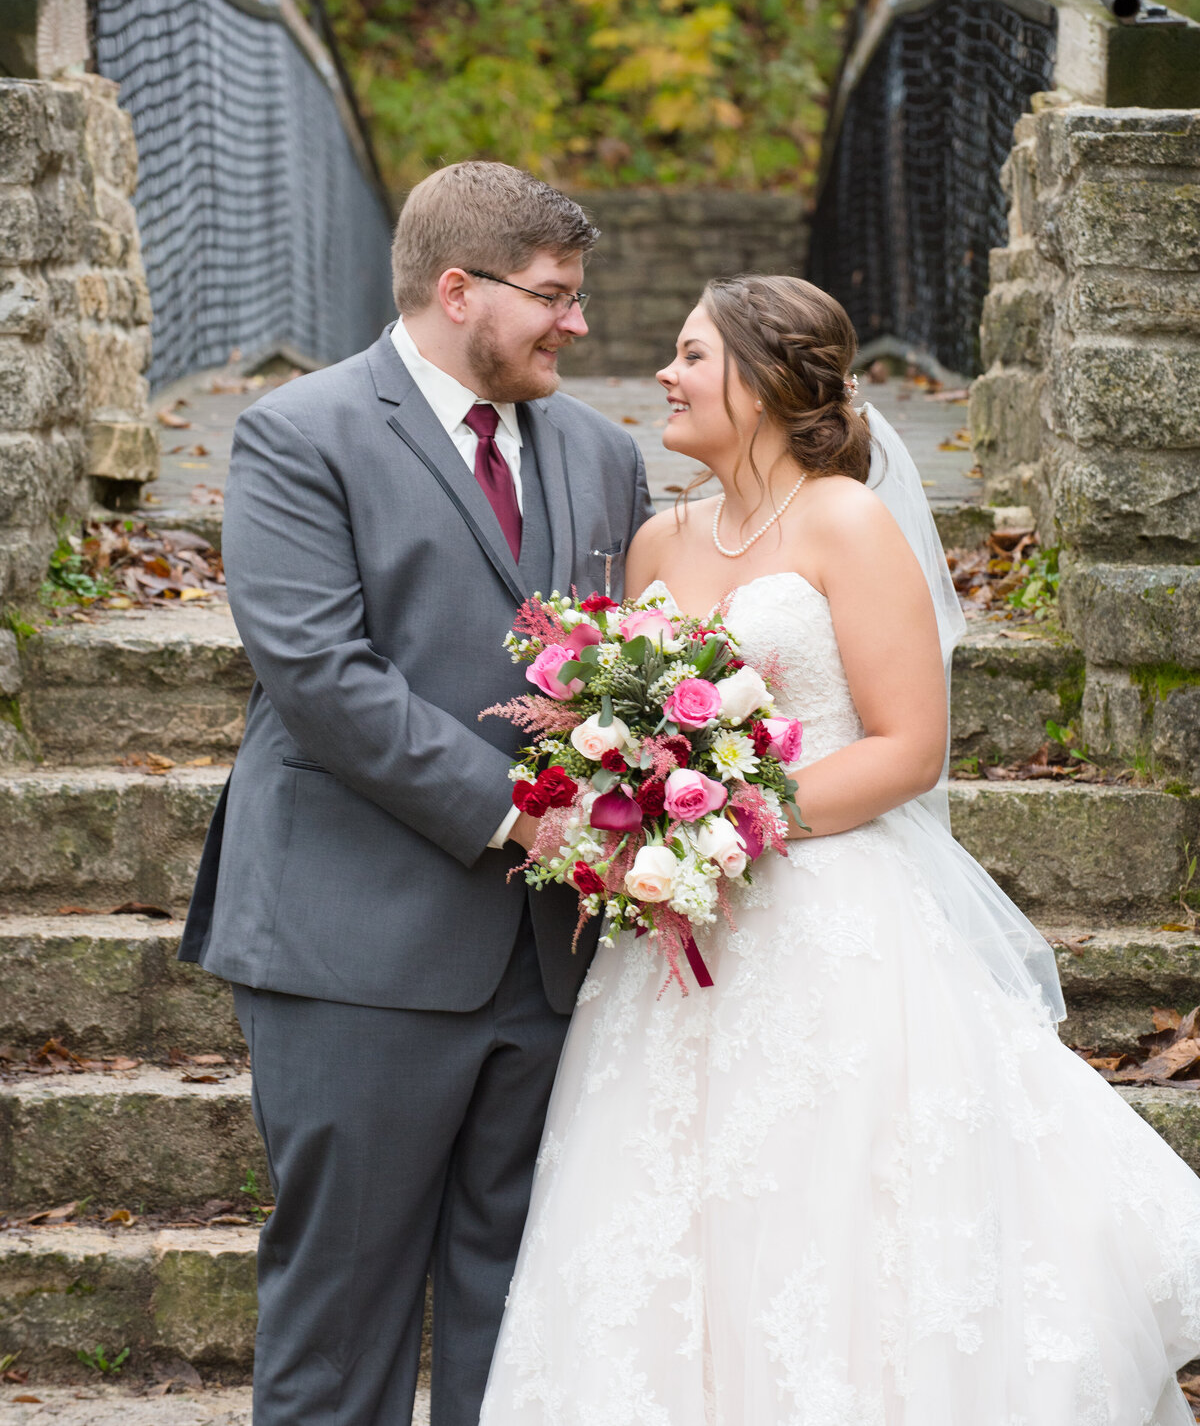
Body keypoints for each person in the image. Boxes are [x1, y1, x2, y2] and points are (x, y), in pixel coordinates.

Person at [479, 273, 1200, 1425]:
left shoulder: (844, 521)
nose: (665, 374)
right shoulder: (658, 539)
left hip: (830, 919)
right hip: (680, 937)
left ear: (763, 383)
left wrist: (729, 821)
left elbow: (910, 746)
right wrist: (644, 819)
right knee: (668, 1219)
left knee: (841, 1221)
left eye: (691, 354)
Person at [179, 161, 653, 1426]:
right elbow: (322, 677)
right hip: (356, 947)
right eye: (553, 297)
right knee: (345, 1306)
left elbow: (632, 668)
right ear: (459, 290)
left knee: (524, 1309)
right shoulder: (302, 433)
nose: (579, 324)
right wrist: (522, 811)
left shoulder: (605, 455)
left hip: (551, 956)